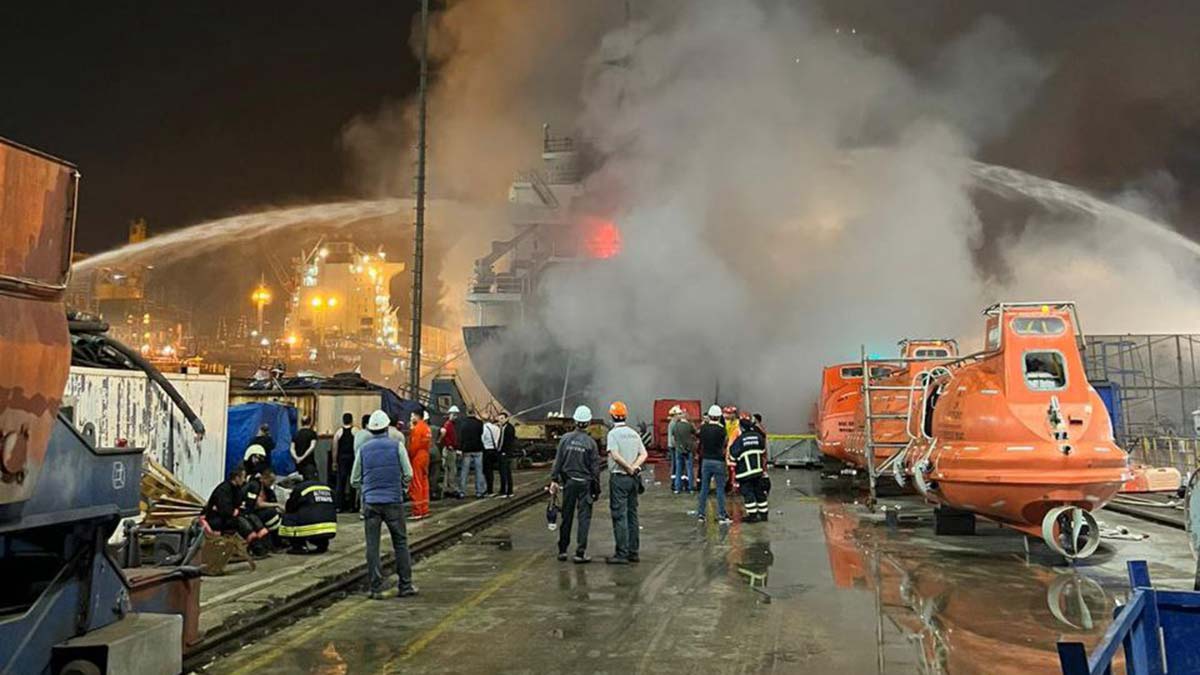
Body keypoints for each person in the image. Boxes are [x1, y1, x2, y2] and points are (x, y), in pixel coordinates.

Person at [351, 410, 417, 599]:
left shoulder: (363, 450)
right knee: (401, 543)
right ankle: (405, 586)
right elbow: (409, 474)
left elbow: (354, 479)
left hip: (371, 503)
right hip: (393, 502)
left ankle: (376, 588)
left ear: (371, 430)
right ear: (387, 428)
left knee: (372, 546)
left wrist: (366, 489)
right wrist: (401, 488)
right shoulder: (397, 446)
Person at [549, 405, 600, 563]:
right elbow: (595, 469)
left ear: (575, 421)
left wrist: (554, 479)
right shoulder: (591, 443)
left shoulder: (565, 439)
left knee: (566, 517)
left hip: (569, 483)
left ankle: (563, 551)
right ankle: (580, 552)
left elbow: (558, 461)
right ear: (589, 421)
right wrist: (596, 489)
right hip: (585, 484)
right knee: (584, 518)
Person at [605, 401, 647, 565]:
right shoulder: (633, 434)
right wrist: (635, 467)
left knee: (619, 516)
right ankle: (633, 552)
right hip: (633, 480)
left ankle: (621, 554)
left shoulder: (612, 435)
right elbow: (644, 454)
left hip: (619, 478)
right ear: (625, 416)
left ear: (612, 416)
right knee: (632, 515)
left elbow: (614, 455)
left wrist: (628, 468)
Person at [203, 466, 269, 557]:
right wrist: (236, 511)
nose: (244, 480)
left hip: (227, 517)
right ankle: (257, 549)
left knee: (252, 517)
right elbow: (225, 511)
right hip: (216, 519)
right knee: (241, 522)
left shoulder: (236, 489)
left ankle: (265, 544)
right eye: (243, 477)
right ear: (237, 478)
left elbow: (239, 505)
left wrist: (240, 511)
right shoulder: (223, 490)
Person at [279, 479, 338, 554]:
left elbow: (290, 507)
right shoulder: (326, 487)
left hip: (311, 529)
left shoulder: (299, 488)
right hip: (330, 528)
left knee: (288, 516)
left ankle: (298, 546)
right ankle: (323, 544)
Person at [696, 405, 732, 524]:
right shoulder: (722, 429)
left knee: (704, 488)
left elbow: (699, 442)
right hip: (718, 461)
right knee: (720, 489)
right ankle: (722, 514)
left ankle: (701, 514)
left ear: (710, 416)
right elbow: (725, 444)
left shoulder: (703, 428)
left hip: (706, 461)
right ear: (719, 416)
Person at [730, 414, 769, 522]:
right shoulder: (758, 437)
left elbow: (733, 455)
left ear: (742, 428)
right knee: (759, 493)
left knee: (748, 493)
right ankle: (764, 514)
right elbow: (762, 451)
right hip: (758, 471)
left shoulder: (740, 440)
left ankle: (752, 515)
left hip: (745, 473)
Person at [243, 467, 284, 545]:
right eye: (270, 481)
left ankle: (278, 540)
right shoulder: (254, 485)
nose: (271, 484)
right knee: (271, 514)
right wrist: (277, 505)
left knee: (278, 516)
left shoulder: (268, 490)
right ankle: (275, 542)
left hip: (260, 512)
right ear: (263, 479)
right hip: (250, 513)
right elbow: (258, 504)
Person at [407, 410, 432, 520]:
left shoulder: (417, 429)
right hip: (425, 455)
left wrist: (409, 456)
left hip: (417, 456)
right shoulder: (426, 427)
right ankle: (425, 508)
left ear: (417, 416)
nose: (411, 417)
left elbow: (414, 446)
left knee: (416, 482)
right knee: (424, 482)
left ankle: (417, 510)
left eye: (412, 415)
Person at [457, 410, 486, 498]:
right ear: (474, 413)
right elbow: (481, 434)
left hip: (466, 450)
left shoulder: (462, 423)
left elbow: (461, 437)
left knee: (464, 471)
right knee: (479, 471)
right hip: (478, 449)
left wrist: (460, 448)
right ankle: (479, 492)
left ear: (467, 413)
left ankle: (462, 492)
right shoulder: (479, 423)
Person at [332, 413, 357, 512]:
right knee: (352, 483)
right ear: (351, 420)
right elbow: (357, 446)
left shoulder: (339, 432)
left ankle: (339, 506)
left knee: (340, 483)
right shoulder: (355, 431)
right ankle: (351, 506)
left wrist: (334, 461)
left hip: (341, 459)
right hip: (352, 458)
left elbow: (335, 448)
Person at [671, 409, 697, 494]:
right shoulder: (689, 426)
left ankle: (677, 488)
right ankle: (690, 488)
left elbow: (674, 436)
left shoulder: (675, 426)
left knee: (678, 469)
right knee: (689, 469)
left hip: (678, 450)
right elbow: (695, 433)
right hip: (688, 450)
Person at [438, 406, 460, 499]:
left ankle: (447, 489)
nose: (455, 417)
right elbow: (445, 436)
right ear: (450, 414)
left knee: (448, 470)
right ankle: (452, 488)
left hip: (450, 449)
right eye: (454, 415)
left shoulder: (449, 424)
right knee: (452, 470)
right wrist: (449, 445)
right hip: (450, 450)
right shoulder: (448, 425)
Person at [291, 415, 319, 481]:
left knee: (300, 483)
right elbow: (312, 447)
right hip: (309, 463)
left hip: (298, 465)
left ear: (301, 423)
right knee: (311, 483)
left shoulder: (296, 434)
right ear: (310, 422)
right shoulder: (312, 433)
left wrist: (297, 458)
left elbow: (292, 449)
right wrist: (302, 457)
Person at [496, 412, 517, 498]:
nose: (500, 420)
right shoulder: (503, 427)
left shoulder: (509, 428)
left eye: (502, 418)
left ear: (506, 418)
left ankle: (505, 491)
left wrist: (503, 451)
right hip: (503, 452)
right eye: (499, 418)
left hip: (505, 453)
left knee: (505, 472)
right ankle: (506, 490)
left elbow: (508, 441)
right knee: (505, 472)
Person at [481, 414, 501, 496]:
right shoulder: (497, 428)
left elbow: (482, 440)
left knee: (487, 471)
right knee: (497, 470)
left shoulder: (484, 428)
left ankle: (489, 490)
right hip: (495, 451)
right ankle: (501, 489)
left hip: (487, 450)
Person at [666, 406, 680, 492]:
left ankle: (675, 482)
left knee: (675, 464)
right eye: (679, 414)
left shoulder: (672, 423)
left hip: (672, 446)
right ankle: (674, 483)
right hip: (673, 446)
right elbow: (673, 437)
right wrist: (676, 445)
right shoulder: (673, 424)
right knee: (675, 464)